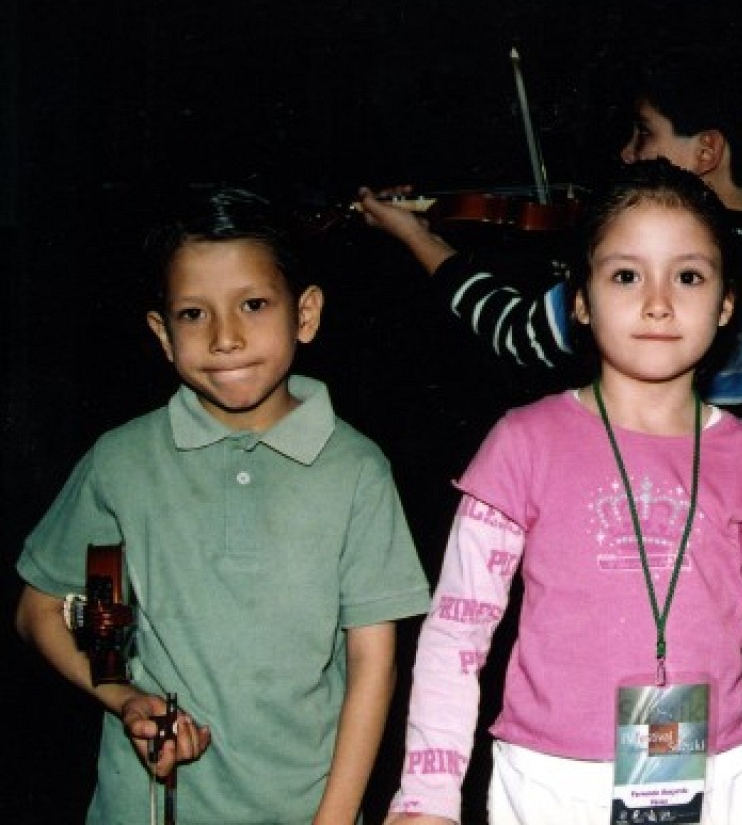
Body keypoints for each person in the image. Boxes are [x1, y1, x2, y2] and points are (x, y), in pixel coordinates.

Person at [383, 159, 742, 824]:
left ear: (727, 301)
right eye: (626, 274)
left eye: (689, 275)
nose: (658, 300)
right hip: (550, 783)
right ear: (579, 298)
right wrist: (428, 794)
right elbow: (456, 633)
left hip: (719, 778)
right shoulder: (523, 443)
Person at [14, 187, 431, 823]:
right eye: (192, 314)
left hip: (302, 808)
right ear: (161, 332)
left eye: (254, 304)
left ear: (306, 313)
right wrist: (123, 697)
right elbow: (38, 608)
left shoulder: (357, 470)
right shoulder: (119, 459)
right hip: (143, 808)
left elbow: (373, 662)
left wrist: (336, 818)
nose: (225, 338)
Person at [356, 53, 742, 440]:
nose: (626, 153)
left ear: (706, 152)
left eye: (644, 133)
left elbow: (519, 334)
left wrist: (420, 239)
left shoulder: (649, 255)